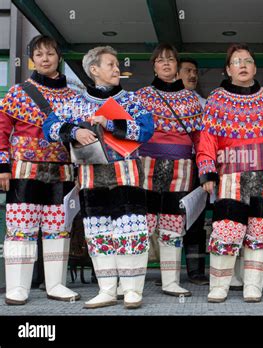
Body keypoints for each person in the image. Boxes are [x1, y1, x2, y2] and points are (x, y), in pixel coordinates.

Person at [43, 46, 154, 309]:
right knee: (98, 232)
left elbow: (147, 129)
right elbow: (50, 126)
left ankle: (131, 290)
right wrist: (73, 132)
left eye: (117, 65)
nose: (117, 69)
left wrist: (111, 124)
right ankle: (106, 289)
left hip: (125, 172)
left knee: (131, 229)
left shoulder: (132, 100)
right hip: (91, 175)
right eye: (111, 65)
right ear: (94, 70)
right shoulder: (77, 103)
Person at [197, 43, 263, 303]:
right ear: (228, 69)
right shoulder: (217, 99)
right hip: (230, 176)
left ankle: (253, 286)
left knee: (261, 231)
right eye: (237, 61)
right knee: (226, 230)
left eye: (247, 60)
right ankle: (219, 286)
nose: (243, 65)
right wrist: (207, 172)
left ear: (255, 67)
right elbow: (207, 139)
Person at [0, 35, 80, 305]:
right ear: (32, 59)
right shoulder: (17, 92)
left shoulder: (74, 97)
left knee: (58, 229)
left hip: (63, 171)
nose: (45, 59)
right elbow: (1, 131)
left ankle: (56, 284)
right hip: (24, 171)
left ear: (59, 57)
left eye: (50, 53)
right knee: (21, 229)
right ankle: (17, 288)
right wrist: (2, 167)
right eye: (39, 54)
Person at [135, 44, 203, 297]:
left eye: (170, 60)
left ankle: (171, 281)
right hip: (146, 165)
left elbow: (199, 137)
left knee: (173, 222)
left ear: (176, 65)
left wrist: (205, 170)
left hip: (182, 166)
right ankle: (134, 281)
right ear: (153, 65)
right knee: (144, 223)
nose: (166, 64)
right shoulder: (140, 96)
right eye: (160, 60)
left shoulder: (191, 99)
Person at [177, 57, 209, 286]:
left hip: (197, 164)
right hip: (172, 164)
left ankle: (196, 271)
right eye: (188, 70)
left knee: (195, 217)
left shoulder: (204, 103)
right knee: (170, 217)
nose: (193, 75)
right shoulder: (163, 99)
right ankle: (171, 272)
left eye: (195, 71)